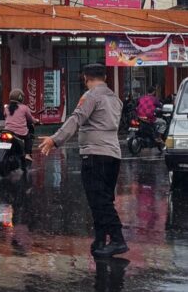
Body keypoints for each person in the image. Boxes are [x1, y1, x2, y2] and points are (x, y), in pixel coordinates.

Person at [39, 64, 127, 258]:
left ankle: (118, 239)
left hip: (95, 154)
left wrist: (55, 139)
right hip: (113, 154)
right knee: (104, 199)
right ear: (105, 77)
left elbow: (76, 118)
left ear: (86, 77)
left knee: (99, 200)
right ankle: (100, 240)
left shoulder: (91, 96)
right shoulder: (115, 99)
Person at [3, 89, 39, 162]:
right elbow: (30, 119)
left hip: (7, 131)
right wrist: (36, 121)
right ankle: (27, 154)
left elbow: (5, 116)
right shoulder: (24, 108)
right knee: (29, 138)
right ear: (21, 98)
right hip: (20, 133)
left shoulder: (6, 108)